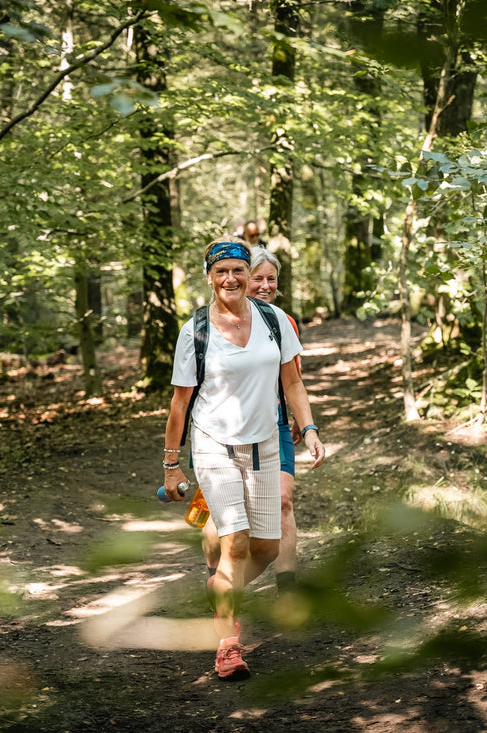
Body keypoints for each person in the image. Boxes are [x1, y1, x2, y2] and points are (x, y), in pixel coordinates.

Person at [161, 236, 325, 682]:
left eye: (238, 270)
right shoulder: (195, 330)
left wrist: (308, 427)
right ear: (210, 277)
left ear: (246, 273)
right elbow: (180, 403)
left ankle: (220, 590)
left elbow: (292, 383)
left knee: (267, 549)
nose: (230, 278)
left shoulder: (275, 320)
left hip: (266, 445)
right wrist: (172, 464)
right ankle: (228, 646)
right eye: (221, 271)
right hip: (214, 445)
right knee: (234, 542)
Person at [201, 247, 301, 596]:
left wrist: (303, 420)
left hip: (272, 426)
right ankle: (217, 575)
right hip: (220, 434)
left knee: (283, 501)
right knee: (228, 519)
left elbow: (293, 380)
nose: (263, 285)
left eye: (270, 279)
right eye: (257, 277)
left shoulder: (281, 321)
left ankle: (286, 591)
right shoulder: (206, 326)